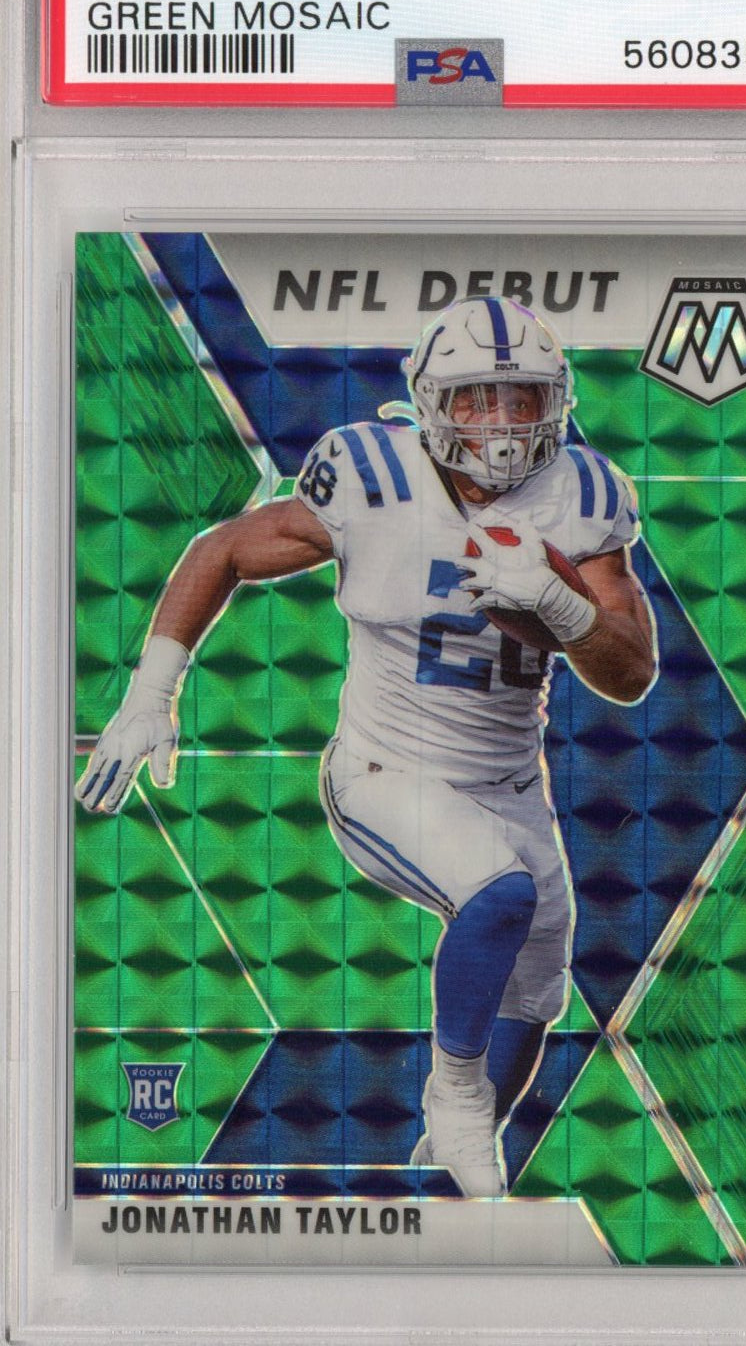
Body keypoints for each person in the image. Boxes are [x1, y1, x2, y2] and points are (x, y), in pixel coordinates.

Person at [76, 295, 657, 1198]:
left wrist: (562, 606)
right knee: (499, 895)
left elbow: (629, 672)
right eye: (475, 399)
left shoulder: (583, 494)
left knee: (536, 981)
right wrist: (153, 691)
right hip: (385, 770)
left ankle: (443, 1165)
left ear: (556, 400)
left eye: (521, 397)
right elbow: (224, 548)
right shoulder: (372, 477)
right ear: (431, 403)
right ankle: (452, 1101)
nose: (502, 424)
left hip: (510, 781)